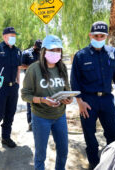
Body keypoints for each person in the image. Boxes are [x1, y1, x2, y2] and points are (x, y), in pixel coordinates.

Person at [70, 21, 115, 169]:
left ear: (106, 37)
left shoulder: (113, 53)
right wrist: (80, 102)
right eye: (96, 35)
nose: (99, 38)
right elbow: (74, 81)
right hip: (88, 101)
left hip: (107, 99)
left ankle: (113, 162)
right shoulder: (81, 56)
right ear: (90, 35)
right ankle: (94, 164)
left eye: (102, 36)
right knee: (90, 136)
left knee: (114, 133)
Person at [21, 35, 73, 170]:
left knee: (63, 152)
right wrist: (42, 100)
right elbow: (25, 95)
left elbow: (67, 89)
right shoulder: (33, 69)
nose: (56, 53)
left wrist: (69, 99)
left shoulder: (62, 68)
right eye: (52, 50)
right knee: (40, 155)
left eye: (58, 50)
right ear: (44, 51)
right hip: (40, 117)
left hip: (60, 116)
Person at [0, 26, 22, 148]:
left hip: (13, 88)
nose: (13, 38)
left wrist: (18, 83)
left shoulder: (17, 51)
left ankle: (6, 138)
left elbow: (18, 67)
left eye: (14, 36)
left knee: (10, 114)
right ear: (4, 36)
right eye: (11, 36)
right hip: (0, 87)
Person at [21, 39, 42, 131]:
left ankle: (39, 121)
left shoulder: (41, 53)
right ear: (34, 46)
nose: (39, 50)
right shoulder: (26, 53)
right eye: (38, 48)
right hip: (29, 80)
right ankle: (30, 123)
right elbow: (21, 65)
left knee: (40, 100)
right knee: (30, 101)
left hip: (40, 81)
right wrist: (32, 67)